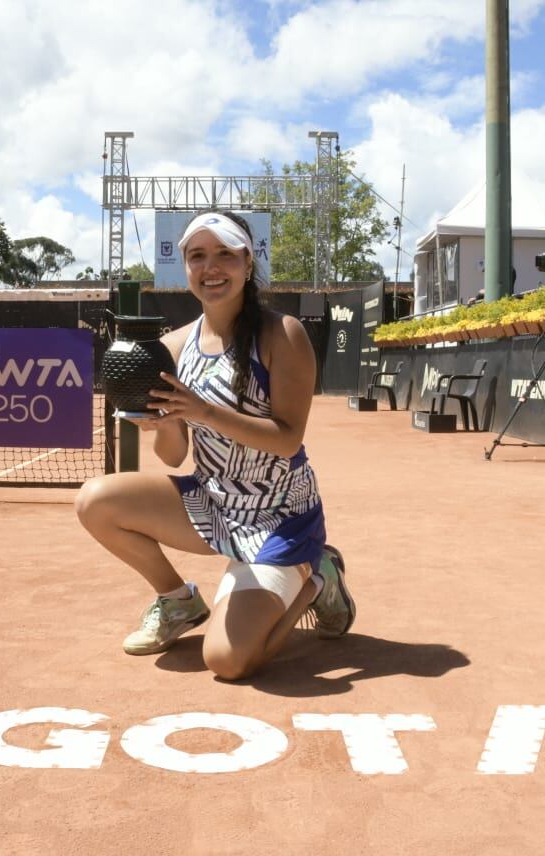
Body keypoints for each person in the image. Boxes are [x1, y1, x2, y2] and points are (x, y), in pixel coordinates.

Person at [75, 210, 355, 680]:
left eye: (225, 254)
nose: (212, 267)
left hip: (277, 516)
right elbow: (173, 455)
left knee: (227, 661)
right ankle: (178, 602)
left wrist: (201, 409)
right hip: (214, 504)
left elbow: (287, 440)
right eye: (198, 256)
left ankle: (318, 577)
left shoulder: (282, 334)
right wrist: (162, 421)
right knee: (95, 501)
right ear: (185, 268)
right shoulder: (175, 345)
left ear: (248, 262)